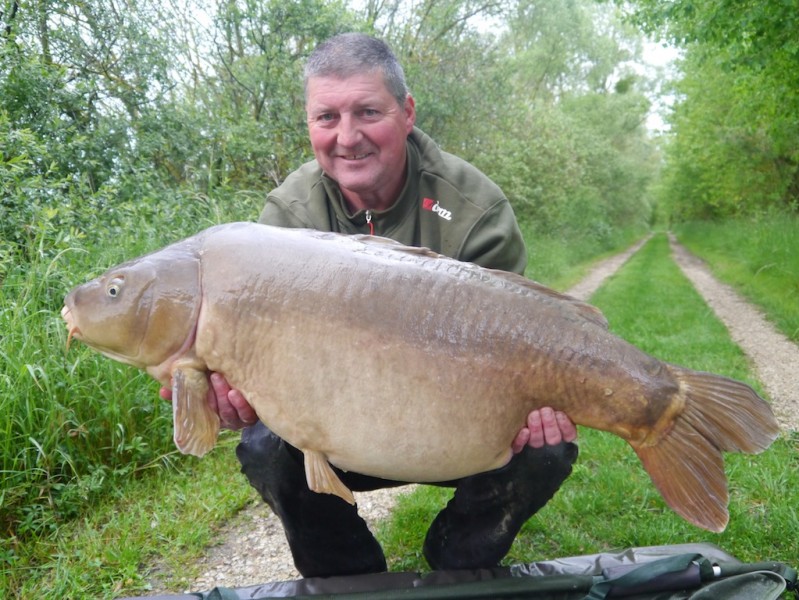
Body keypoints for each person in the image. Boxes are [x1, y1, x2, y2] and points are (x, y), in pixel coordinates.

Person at [164, 32, 578, 578]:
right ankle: (351, 581)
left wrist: (534, 404)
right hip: (340, 429)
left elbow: (514, 340)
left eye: (367, 112)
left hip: (456, 430)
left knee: (545, 448)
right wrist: (241, 398)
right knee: (264, 445)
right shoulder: (288, 216)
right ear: (309, 126)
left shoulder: (471, 208)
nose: (347, 137)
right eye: (326, 118)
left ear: (406, 113)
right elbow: (255, 364)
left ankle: (457, 564)